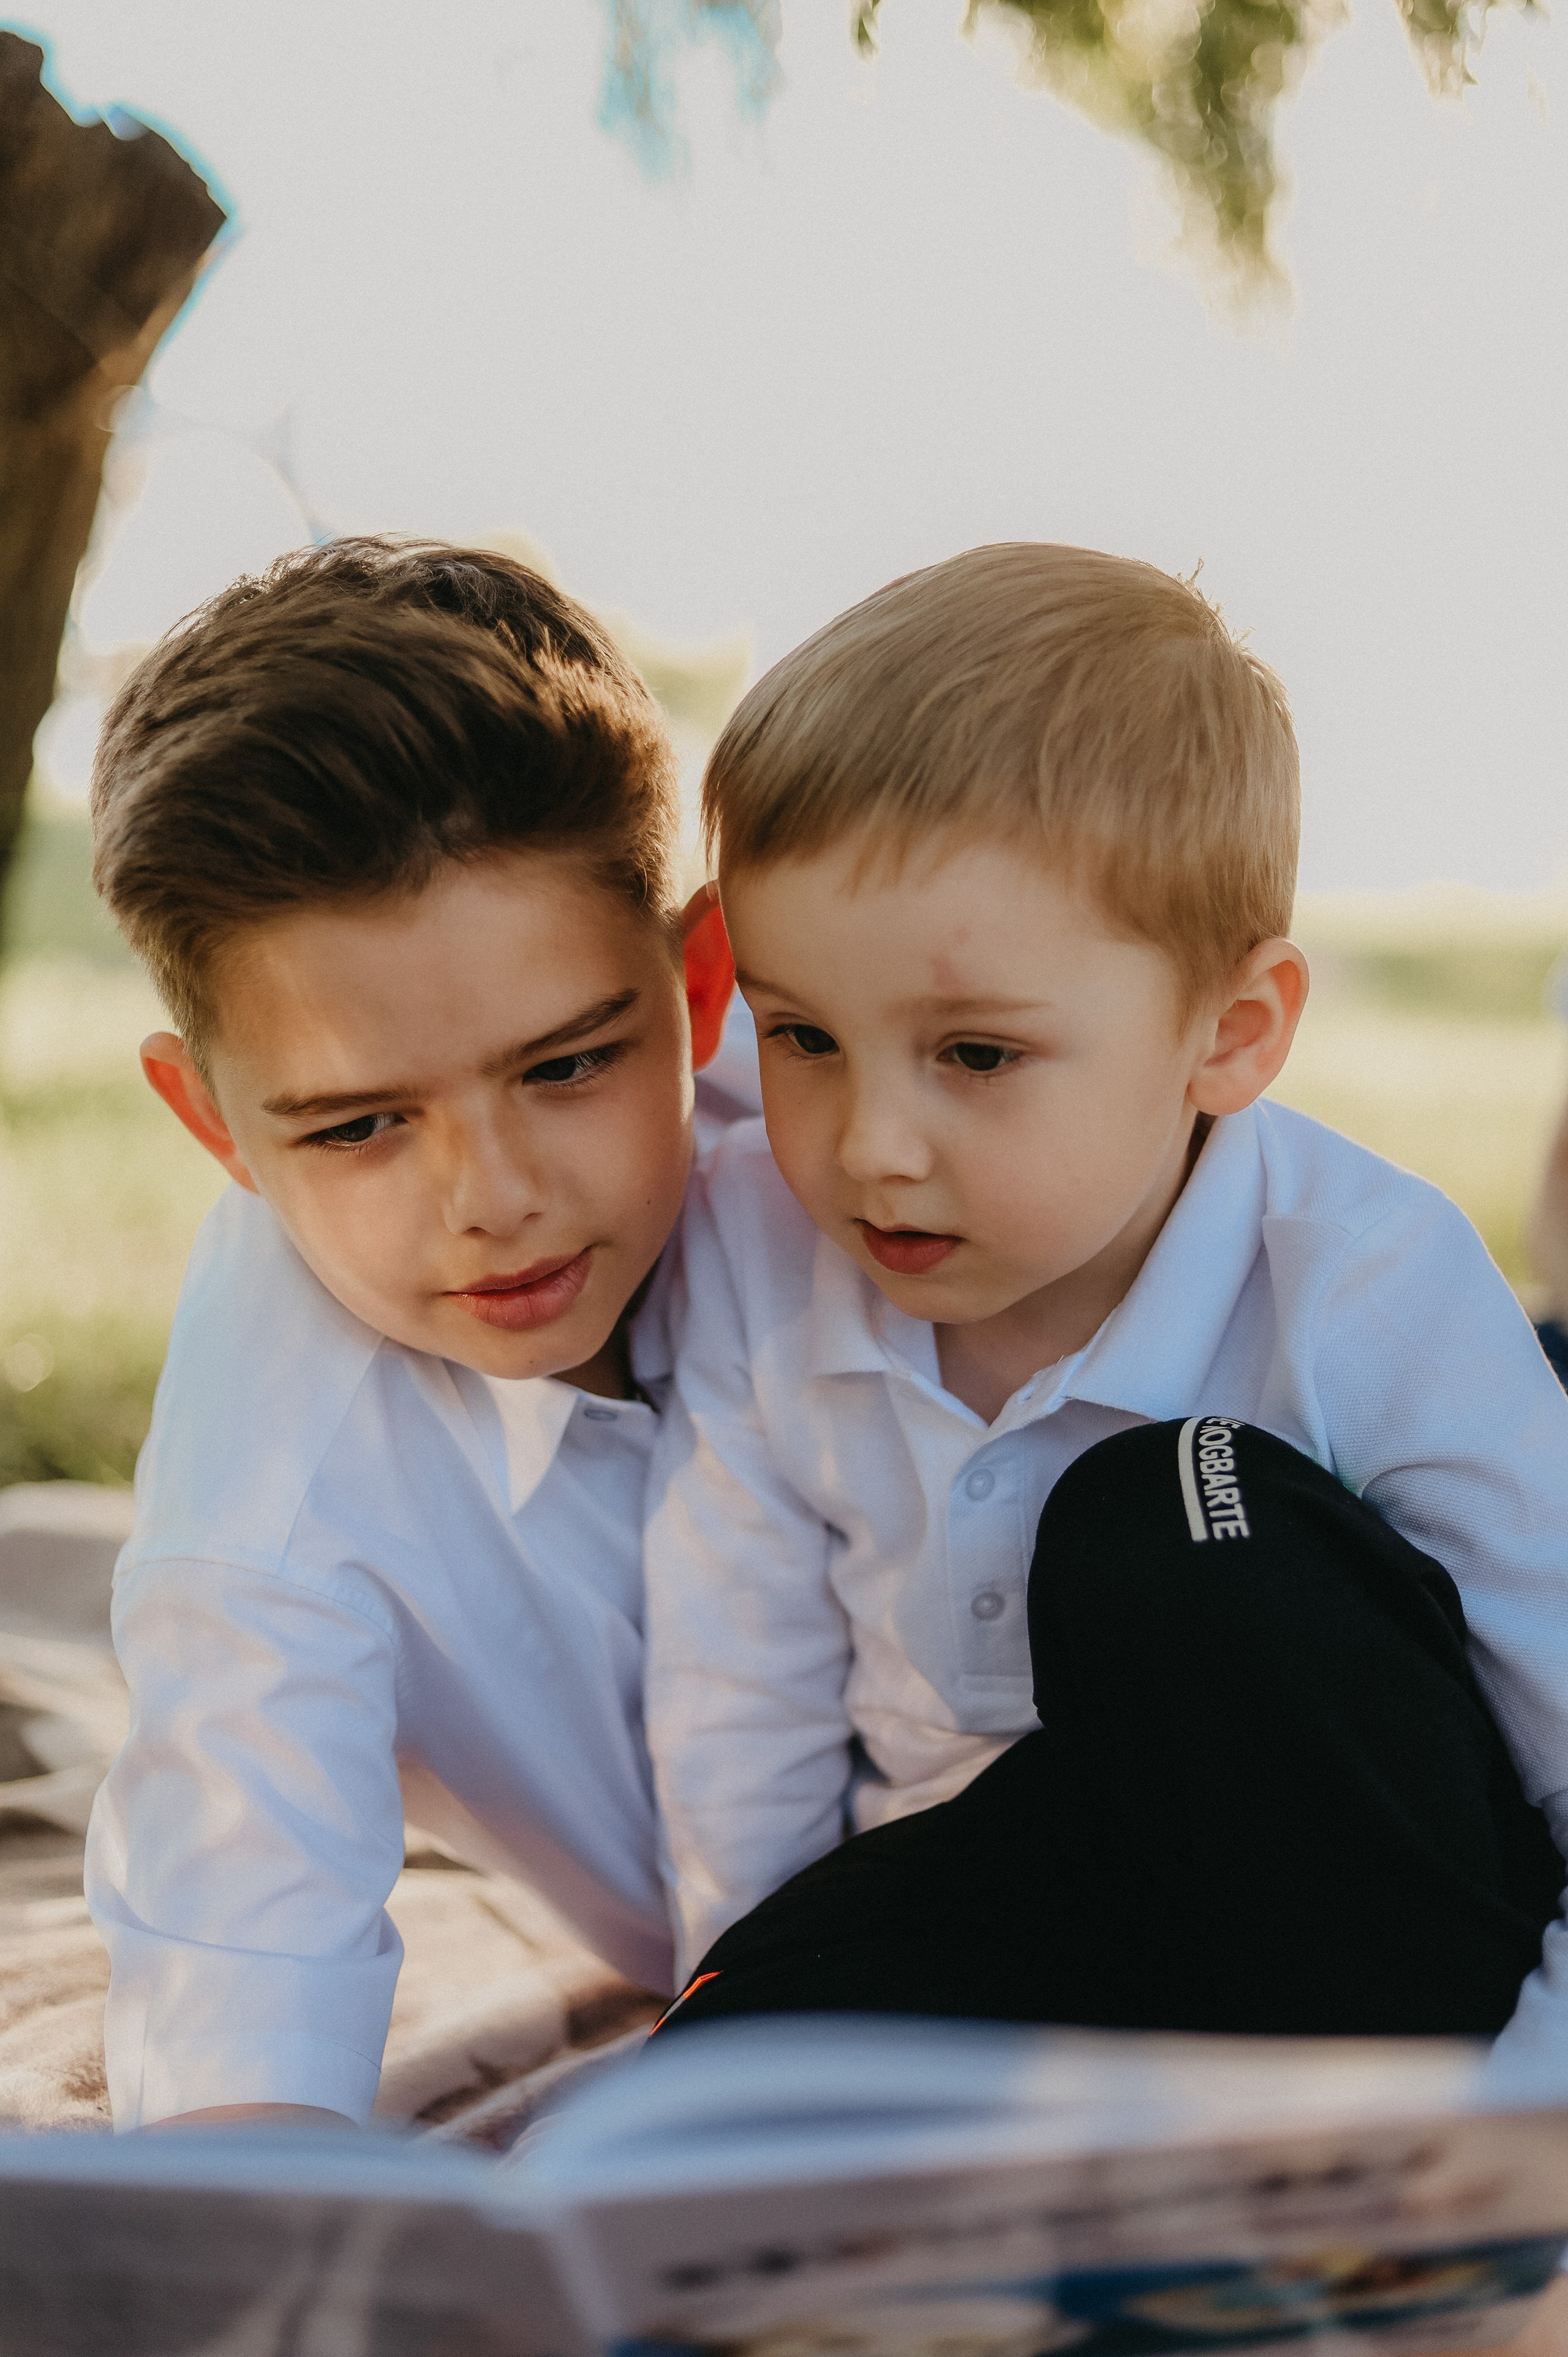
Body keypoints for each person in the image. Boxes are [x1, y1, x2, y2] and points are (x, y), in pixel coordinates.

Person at [643, 541, 1568, 2068]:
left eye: (978, 1055)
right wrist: (752, 1992)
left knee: (1160, 1517)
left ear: (1229, 1033)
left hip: (1360, 1915)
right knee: (727, 2036)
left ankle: (1377, 2162)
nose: (867, 1145)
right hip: (1022, 1917)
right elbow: (739, 1701)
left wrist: (1525, 2124)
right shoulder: (764, 1253)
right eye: (801, 1035)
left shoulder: (1362, 1279)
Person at [82, 537, 741, 2130]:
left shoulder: (892, 1154)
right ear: (216, 1124)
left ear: (703, 987)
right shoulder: (267, 1518)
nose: (491, 1200)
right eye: (361, 1124)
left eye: (569, 1066)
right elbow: (239, 2042)